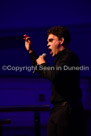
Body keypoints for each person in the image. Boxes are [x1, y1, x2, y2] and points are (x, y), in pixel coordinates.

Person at [24, 26, 87, 136]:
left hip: (68, 111)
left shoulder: (69, 57)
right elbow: (44, 73)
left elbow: (54, 75)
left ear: (61, 40)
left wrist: (43, 64)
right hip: (58, 111)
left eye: (51, 40)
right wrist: (31, 52)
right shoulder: (59, 60)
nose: (47, 44)